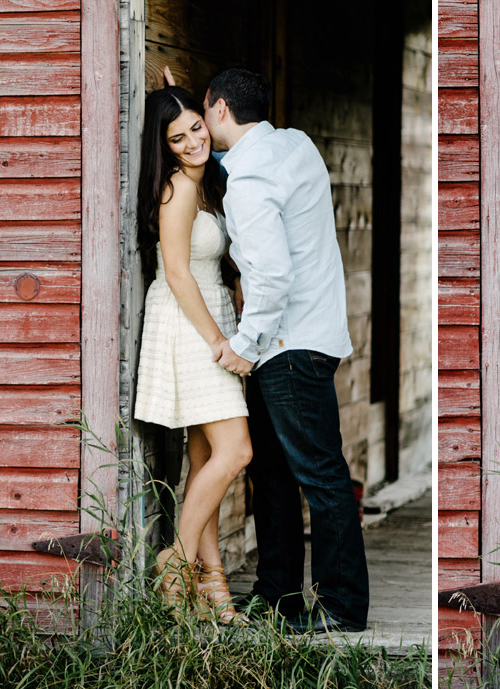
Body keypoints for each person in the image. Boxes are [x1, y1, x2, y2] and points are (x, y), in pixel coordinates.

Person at [198, 67, 368, 634]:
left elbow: (270, 276)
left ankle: (342, 605)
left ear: (219, 108)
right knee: (271, 475)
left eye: (204, 112)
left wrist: (243, 345)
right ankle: (278, 596)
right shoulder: (295, 146)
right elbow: (237, 165)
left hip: (285, 346)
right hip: (307, 339)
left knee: (319, 476)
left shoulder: (248, 184)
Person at [133, 85, 254, 626]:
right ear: (164, 147)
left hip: (208, 318)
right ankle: (175, 561)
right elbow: (178, 273)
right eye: (176, 138)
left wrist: (174, 89)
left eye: (196, 128)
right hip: (189, 325)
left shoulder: (209, 184)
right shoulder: (179, 190)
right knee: (237, 452)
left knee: (205, 460)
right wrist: (218, 342)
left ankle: (215, 590)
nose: (191, 142)